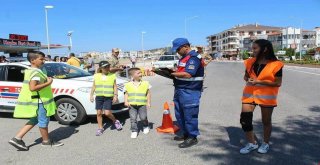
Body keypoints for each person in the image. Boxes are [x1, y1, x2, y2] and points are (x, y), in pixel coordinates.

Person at [8, 51, 63, 151]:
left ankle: (17, 138)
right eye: (41, 59)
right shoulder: (36, 73)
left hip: (37, 101)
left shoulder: (32, 70)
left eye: (44, 59)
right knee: (43, 121)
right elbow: (33, 88)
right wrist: (48, 83)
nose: (44, 61)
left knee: (35, 120)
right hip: (40, 102)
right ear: (33, 60)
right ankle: (46, 141)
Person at [239, 39, 284, 154]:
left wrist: (259, 81)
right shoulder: (249, 62)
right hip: (249, 95)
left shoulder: (276, 64)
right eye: (252, 48)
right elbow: (246, 76)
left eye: (255, 48)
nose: (252, 50)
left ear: (264, 49)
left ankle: (265, 143)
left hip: (266, 97)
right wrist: (248, 79)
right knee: (245, 120)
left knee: (266, 121)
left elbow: (278, 83)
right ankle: (252, 143)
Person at [170, 38, 205, 148]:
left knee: (190, 115)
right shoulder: (184, 58)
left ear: (186, 46)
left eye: (178, 49)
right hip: (180, 90)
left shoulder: (194, 58)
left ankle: (192, 137)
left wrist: (172, 74)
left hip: (190, 91)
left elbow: (188, 74)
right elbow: (181, 72)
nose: (177, 52)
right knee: (180, 114)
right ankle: (186, 134)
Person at [90, 61, 123, 136]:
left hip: (108, 96)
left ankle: (115, 121)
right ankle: (100, 128)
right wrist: (91, 95)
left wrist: (115, 95)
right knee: (98, 113)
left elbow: (115, 86)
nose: (108, 68)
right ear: (101, 68)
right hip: (99, 96)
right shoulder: (96, 75)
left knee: (107, 113)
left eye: (108, 66)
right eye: (105, 67)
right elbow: (94, 86)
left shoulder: (112, 75)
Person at [124, 68, 151, 138]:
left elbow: (148, 93)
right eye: (138, 73)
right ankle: (134, 131)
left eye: (140, 72)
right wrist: (126, 101)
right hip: (132, 105)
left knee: (143, 117)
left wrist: (148, 102)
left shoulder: (145, 83)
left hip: (142, 104)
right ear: (132, 76)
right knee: (133, 118)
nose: (141, 74)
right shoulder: (128, 84)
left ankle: (145, 126)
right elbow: (126, 94)